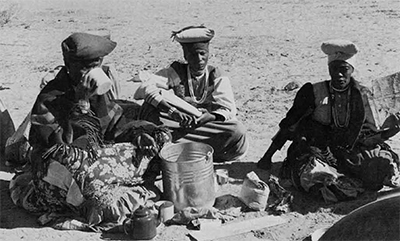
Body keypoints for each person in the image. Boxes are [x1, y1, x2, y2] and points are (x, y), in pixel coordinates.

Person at [9, 32, 171, 231]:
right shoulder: (50, 97)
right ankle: (114, 185)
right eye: (85, 66)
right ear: (68, 65)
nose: (92, 72)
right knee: (84, 169)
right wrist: (80, 102)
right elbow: (57, 148)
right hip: (60, 171)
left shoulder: (98, 92)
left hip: (97, 157)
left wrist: (139, 135)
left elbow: (115, 125)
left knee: (160, 139)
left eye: (96, 65)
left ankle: (111, 181)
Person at [257, 39, 400, 202]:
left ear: (351, 70)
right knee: (319, 179)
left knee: (380, 167)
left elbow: (370, 135)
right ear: (328, 69)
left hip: (350, 151)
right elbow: (290, 124)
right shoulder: (313, 91)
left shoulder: (363, 95)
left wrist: (392, 129)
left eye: (343, 69)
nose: (339, 74)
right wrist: (267, 157)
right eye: (334, 69)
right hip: (317, 149)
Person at [135, 25, 248, 162]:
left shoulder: (216, 75)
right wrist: (171, 111)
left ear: (208, 54)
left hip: (206, 125)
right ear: (185, 56)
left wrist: (210, 117)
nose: (199, 59)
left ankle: (174, 148)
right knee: (148, 108)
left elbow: (229, 110)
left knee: (237, 130)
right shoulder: (176, 71)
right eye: (193, 55)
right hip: (180, 124)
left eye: (202, 53)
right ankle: (177, 147)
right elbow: (143, 89)